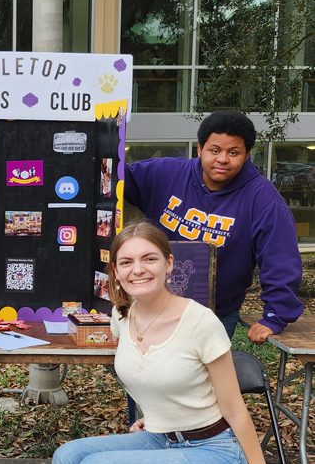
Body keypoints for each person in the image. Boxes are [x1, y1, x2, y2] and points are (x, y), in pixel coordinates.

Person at [49, 221, 275, 464]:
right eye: (126, 262)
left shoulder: (199, 322)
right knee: (67, 457)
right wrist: (159, 411)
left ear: (169, 264)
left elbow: (235, 409)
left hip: (214, 453)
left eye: (149, 259)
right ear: (115, 271)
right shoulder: (121, 317)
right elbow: (151, 373)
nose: (137, 269)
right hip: (161, 439)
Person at [125, 110, 303, 343]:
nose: (222, 159)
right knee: (146, 375)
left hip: (214, 316)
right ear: (200, 149)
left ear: (248, 154)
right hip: (150, 307)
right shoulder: (164, 173)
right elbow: (114, 177)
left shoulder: (263, 199)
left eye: (234, 152)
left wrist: (274, 316)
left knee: (204, 379)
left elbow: (281, 259)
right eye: (215, 150)